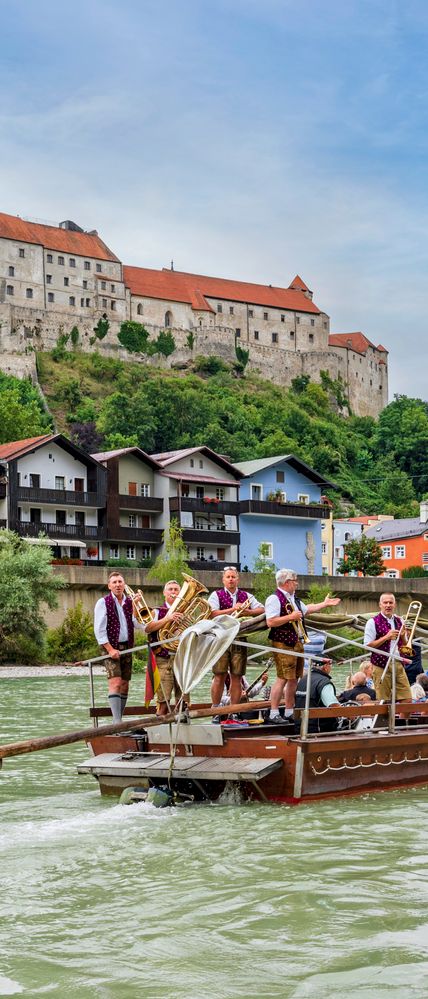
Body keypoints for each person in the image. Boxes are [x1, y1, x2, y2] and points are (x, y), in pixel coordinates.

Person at [265, 568, 341, 724]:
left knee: (294, 678)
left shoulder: (294, 598)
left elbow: (307, 610)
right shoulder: (274, 598)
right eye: (295, 581)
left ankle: (289, 711)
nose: (297, 583)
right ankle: (273, 713)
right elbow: (271, 621)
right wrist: (290, 617)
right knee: (282, 677)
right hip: (283, 642)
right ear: (286, 583)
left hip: (297, 641)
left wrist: (325, 604)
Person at [208, 567, 264, 709]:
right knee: (219, 675)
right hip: (221, 639)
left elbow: (263, 609)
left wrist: (249, 611)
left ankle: (234, 710)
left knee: (237, 676)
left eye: (233, 576)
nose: (231, 579)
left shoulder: (246, 595)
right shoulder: (216, 595)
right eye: (228, 577)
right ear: (223, 579)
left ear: (238, 579)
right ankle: (215, 708)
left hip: (240, 639)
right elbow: (212, 614)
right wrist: (233, 609)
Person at [93, 571, 146, 721]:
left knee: (124, 685)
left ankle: (119, 719)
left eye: (120, 582)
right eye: (114, 582)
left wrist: (138, 605)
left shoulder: (129, 602)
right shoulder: (103, 602)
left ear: (124, 585)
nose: (117, 584)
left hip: (127, 646)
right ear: (109, 586)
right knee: (115, 682)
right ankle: (117, 723)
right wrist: (109, 649)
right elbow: (99, 629)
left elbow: (137, 624)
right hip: (111, 647)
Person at [144, 580, 184, 716]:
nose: (173, 592)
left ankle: (183, 734)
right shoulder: (157, 611)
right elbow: (148, 628)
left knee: (183, 702)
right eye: (170, 589)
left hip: (181, 659)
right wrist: (168, 619)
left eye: (176, 590)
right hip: (163, 659)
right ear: (164, 593)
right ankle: (158, 734)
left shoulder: (186, 611)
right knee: (163, 702)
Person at [364, 593, 412, 701]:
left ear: (395, 605)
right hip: (380, 664)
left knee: (407, 699)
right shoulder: (372, 622)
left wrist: (404, 636)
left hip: (398, 663)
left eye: (391, 602)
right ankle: (387, 718)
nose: (388, 605)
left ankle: (403, 719)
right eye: (385, 603)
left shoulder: (400, 620)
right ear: (380, 605)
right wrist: (386, 637)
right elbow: (367, 646)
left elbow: (406, 648)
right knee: (383, 700)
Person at [294, 658, 341, 733]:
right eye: (330, 665)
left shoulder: (303, 680)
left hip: (299, 727)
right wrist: (349, 716)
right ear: (325, 666)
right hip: (319, 730)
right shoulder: (324, 682)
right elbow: (333, 705)